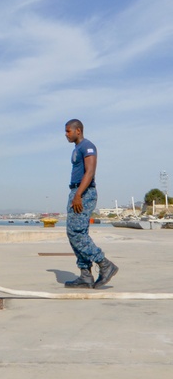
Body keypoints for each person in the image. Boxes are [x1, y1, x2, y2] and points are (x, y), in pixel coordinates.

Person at [64, 119, 118, 288]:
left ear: (78, 131)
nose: (66, 134)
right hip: (76, 191)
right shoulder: (77, 148)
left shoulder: (87, 146)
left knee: (76, 233)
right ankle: (85, 275)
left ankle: (104, 264)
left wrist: (78, 194)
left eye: (68, 131)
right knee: (77, 233)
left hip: (83, 192)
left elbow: (90, 171)